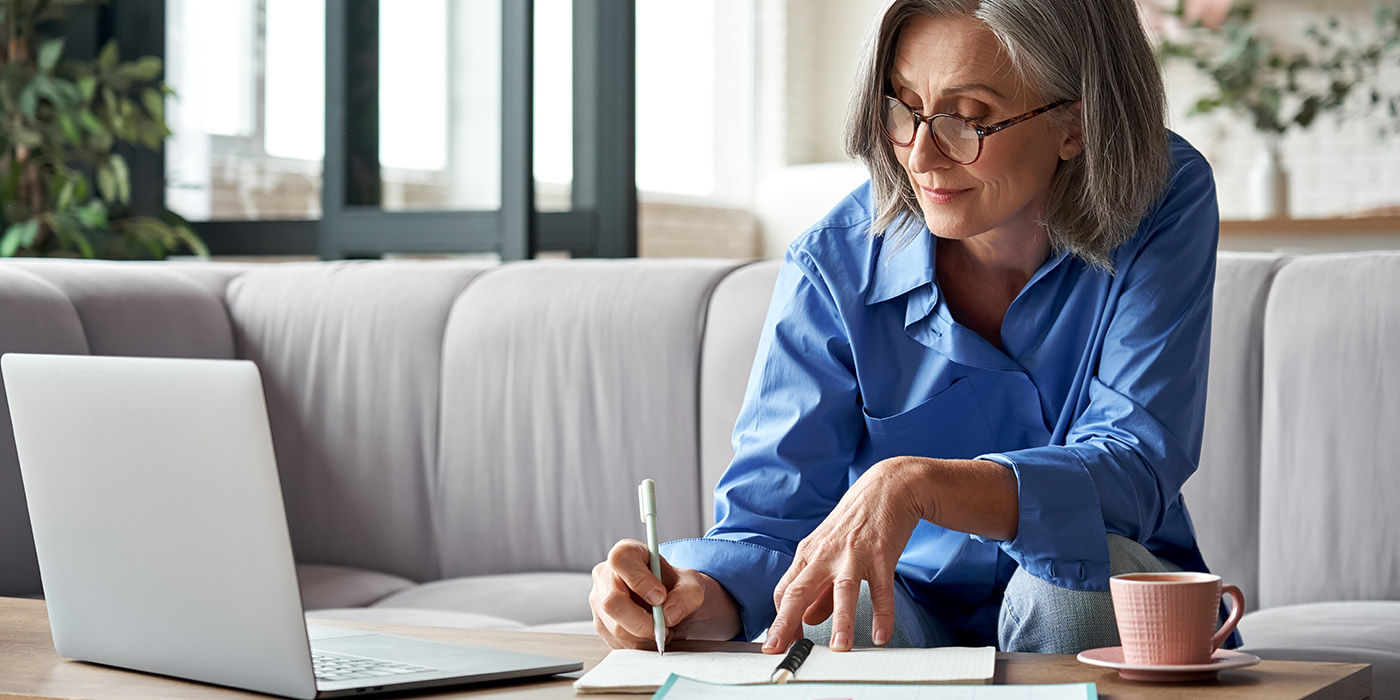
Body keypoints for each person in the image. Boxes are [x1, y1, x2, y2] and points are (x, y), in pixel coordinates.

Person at [590, 0, 1228, 655]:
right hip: (913, 609)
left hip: (1100, 591)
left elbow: (1135, 465)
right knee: (835, 603)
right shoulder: (833, 262)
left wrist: (920, 485)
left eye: (968, 119)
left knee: (1065, 581)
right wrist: (688, 599)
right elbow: (772, 525)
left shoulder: (1163, 199)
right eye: (901, 108)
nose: (921, 155)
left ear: (1076, 123)